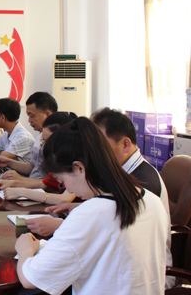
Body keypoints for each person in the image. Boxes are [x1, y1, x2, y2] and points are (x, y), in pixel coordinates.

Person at [15, 117, 168, 295]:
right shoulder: (151, 200)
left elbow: (30, 279)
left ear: (78, 168)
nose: (67, 188)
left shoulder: (91, 214)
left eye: (62, 180)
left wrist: (25, 250)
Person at [0, 111, 76, 191]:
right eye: (43, 140)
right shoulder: (43, 139)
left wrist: (19, 180)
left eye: (32, 115)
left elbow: (50, 187)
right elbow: (35, 169)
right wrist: (9, 163)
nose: (29, 120)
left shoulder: (69, 162)